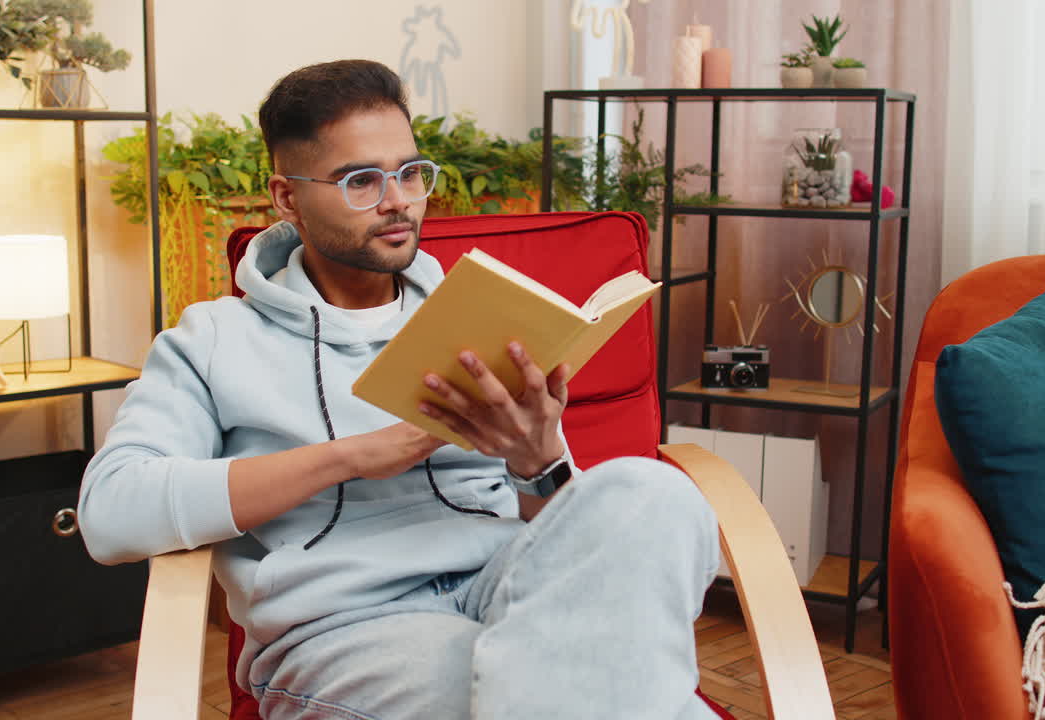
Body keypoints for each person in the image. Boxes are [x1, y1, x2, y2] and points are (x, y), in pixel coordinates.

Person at [79, 59, 719, 720]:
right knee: (574, 693)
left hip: (513, 585)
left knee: (654, 492)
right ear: (287, 197)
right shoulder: (213, 340)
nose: (399, 201)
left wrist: (537, 462)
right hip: (347, 631)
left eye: (410, 173)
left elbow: (559, 530)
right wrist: (353, 457)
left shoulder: (476, 310)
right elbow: (110, 512)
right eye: (361, 180)